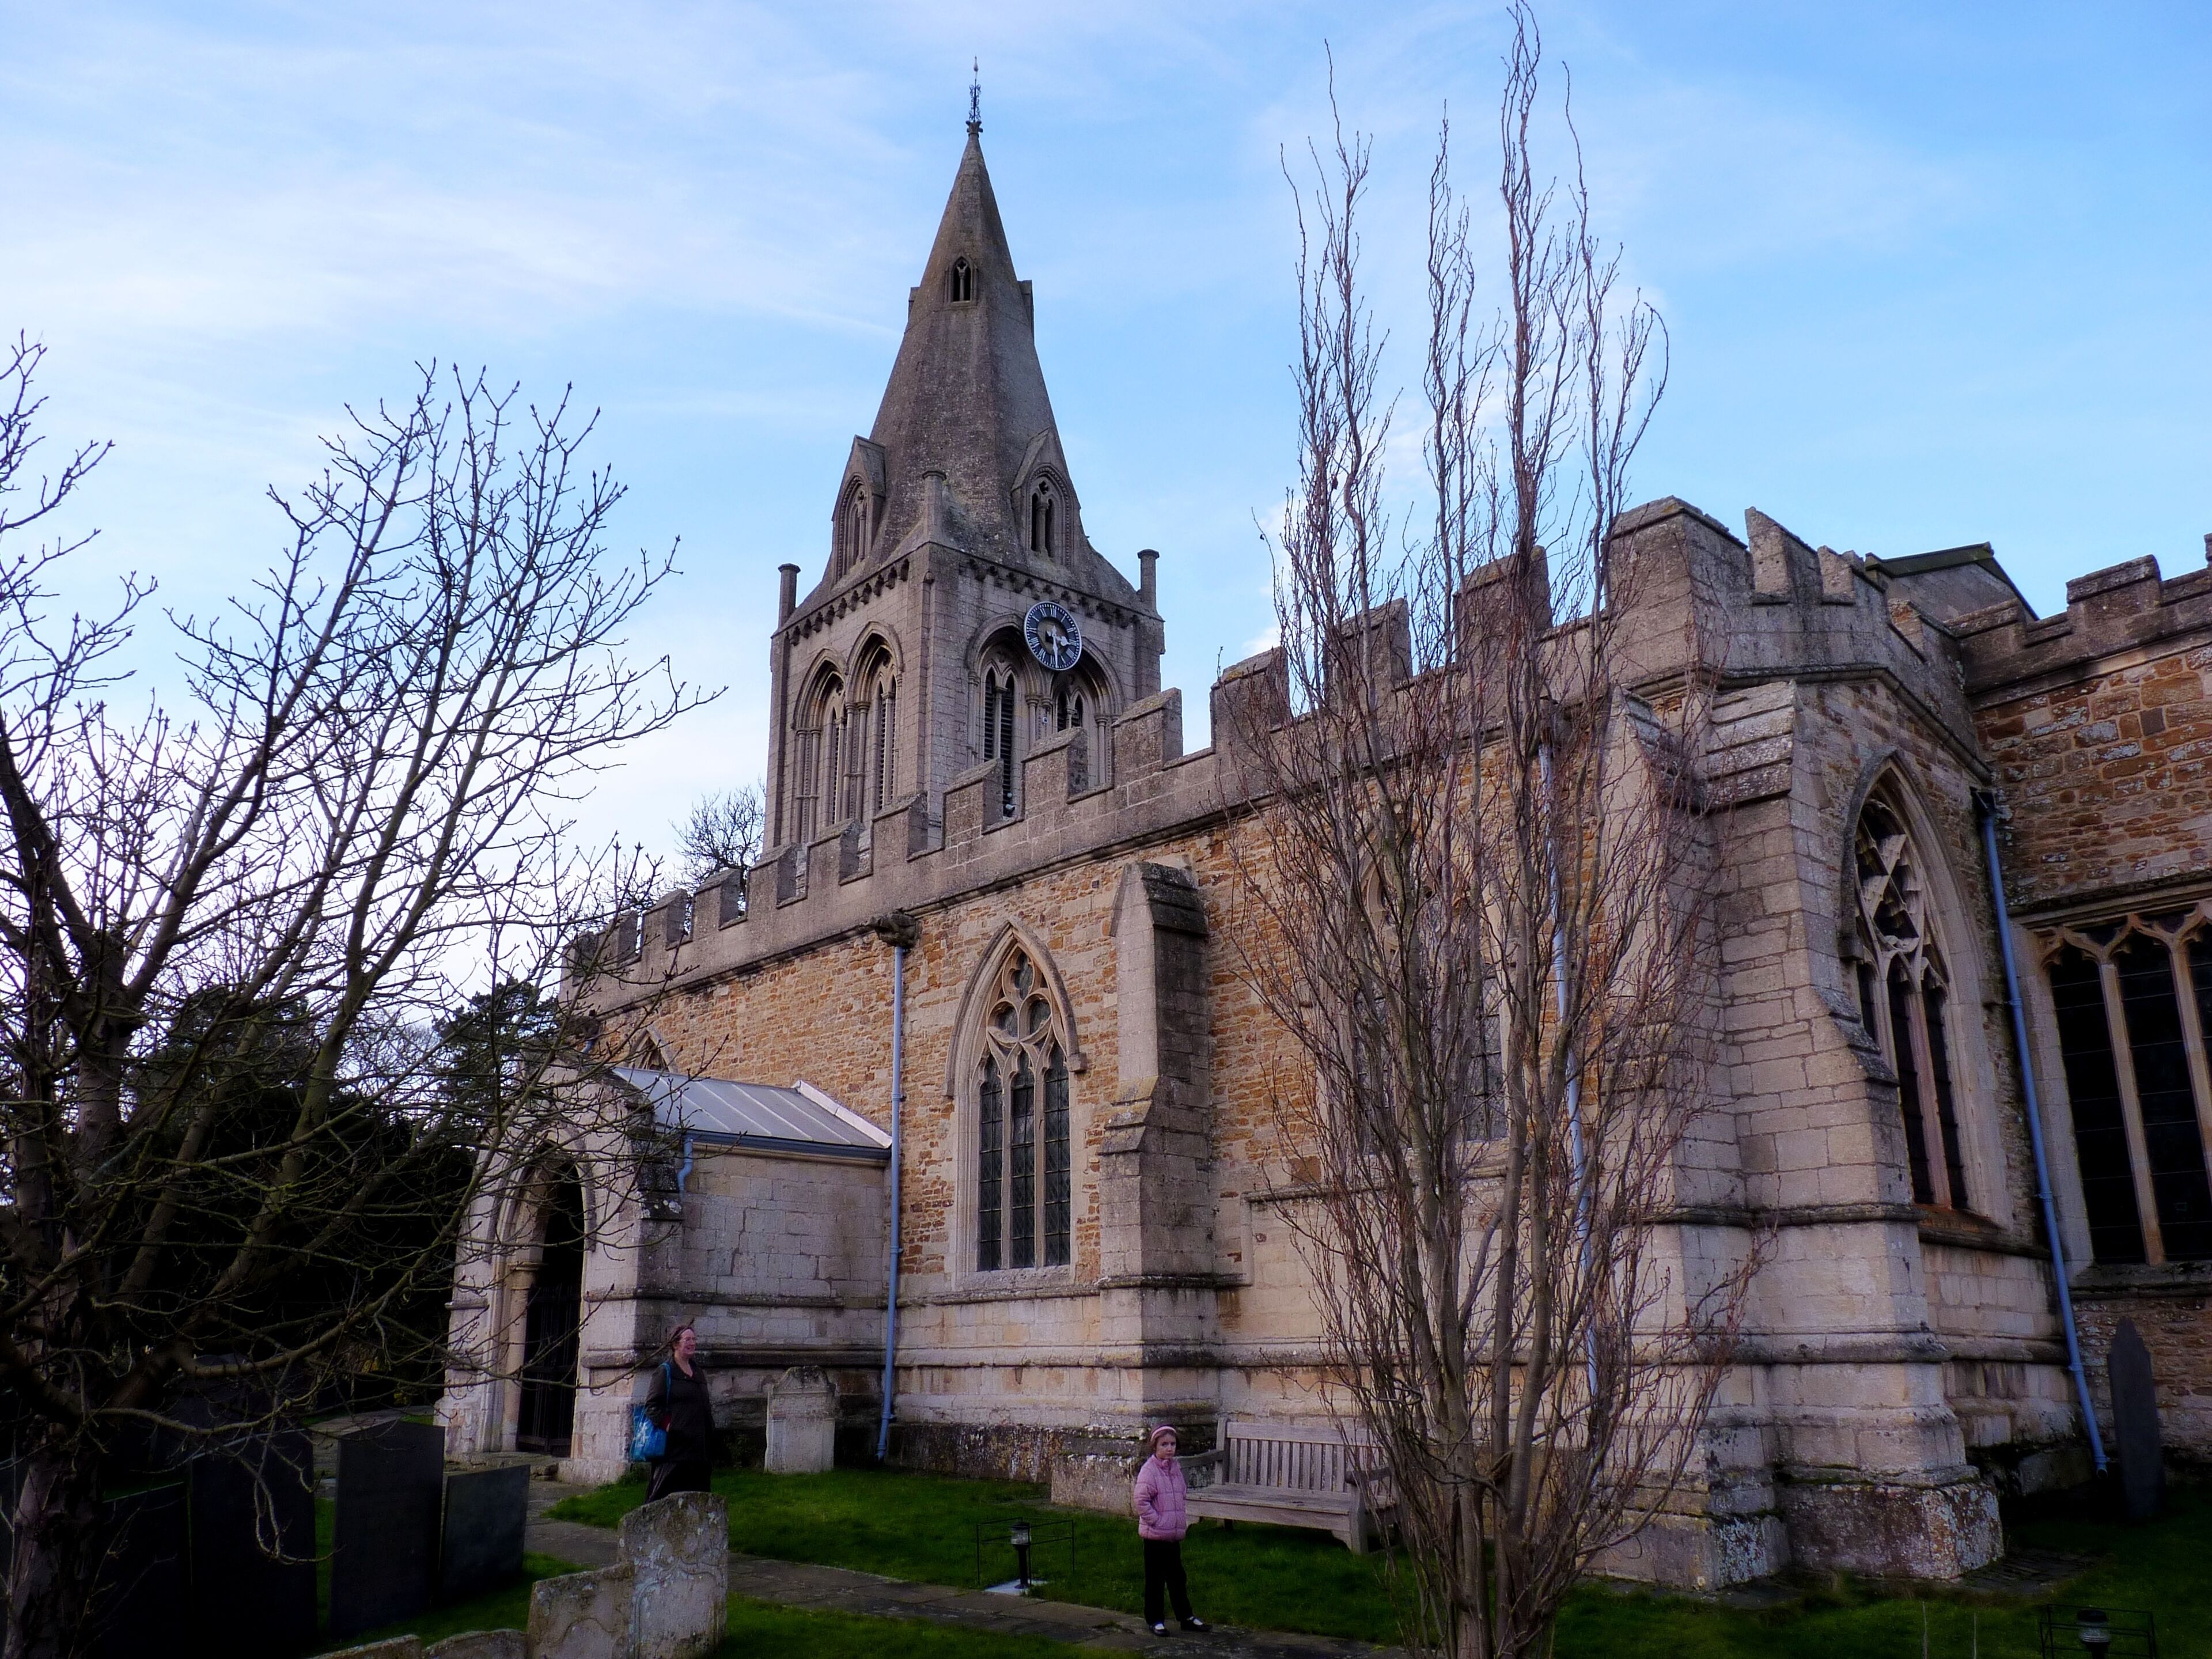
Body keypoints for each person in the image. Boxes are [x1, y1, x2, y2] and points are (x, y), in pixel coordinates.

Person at [1133, 1424, 1209, 1636]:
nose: (1169, 1448)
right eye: (1164, 1444)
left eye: (1173, 1444)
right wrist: (1157, 1521)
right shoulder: (1149, 1471)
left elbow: (1180, 1494)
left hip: (1173, 1536)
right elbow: (1141, 1501)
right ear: (1155, 1447)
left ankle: (1185, 1617)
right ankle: (1155, 1620)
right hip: (1155, 1537)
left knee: (1178, 1578)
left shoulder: (1175, 1469)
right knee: (1155, 1580)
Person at [642, 1323, 714, 1501]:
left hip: (698, 1450)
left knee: (698, 1499)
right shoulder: (665, 1372)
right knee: (664, 1497)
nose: (692, 1343)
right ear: (675, 1344)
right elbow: (652, 1406)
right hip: (674, 1450)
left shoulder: (698, 1373)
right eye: (687, 1340)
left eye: (694, 1340)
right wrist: (670, 1427)